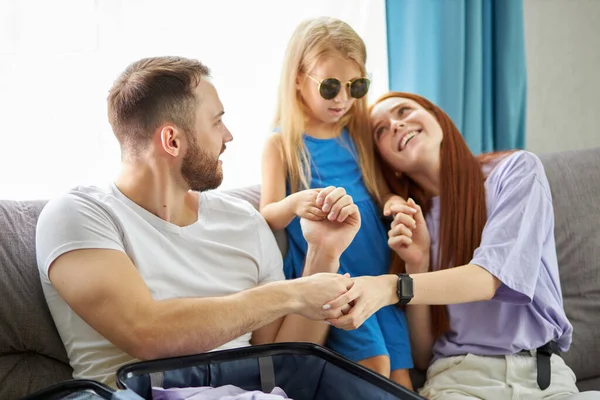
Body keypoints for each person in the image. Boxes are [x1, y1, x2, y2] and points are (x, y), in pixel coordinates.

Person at [35, 56, 361, 388]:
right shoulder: (78, 215)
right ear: (172, 140)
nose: (229, 136)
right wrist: (291, 294)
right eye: (217, 122)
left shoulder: (244, 220)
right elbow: (147, 334)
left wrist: (322, 252)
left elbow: (281, 360)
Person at [323, 92, 581, 399]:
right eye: (380, 130)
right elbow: (423, 355)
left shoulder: (516, 171)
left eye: (404, 110)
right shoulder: (410, 226)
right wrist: (416, 263)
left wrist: (391, 286)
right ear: (389, 164)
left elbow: (487, 279)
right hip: (459, 381)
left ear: (437, 117)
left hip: (543, 379)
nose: (395, 125)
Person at [259, 17, 413, 388]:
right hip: (337, 281)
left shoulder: (358, 134)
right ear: (298, 78)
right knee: (374, 365)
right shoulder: (281, 144)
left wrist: (393, 201)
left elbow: (377, 191)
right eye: (330, 87)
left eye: (355, 86)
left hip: (380, 277)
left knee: (402, 378)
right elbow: (267, 214)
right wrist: (295, 203)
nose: (343, 99)